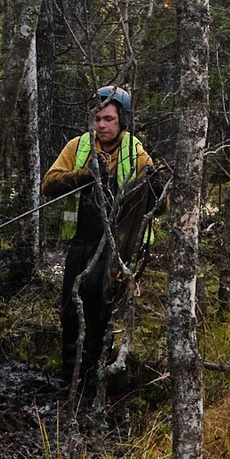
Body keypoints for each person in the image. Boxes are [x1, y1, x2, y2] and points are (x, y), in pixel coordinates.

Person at [41, 87, 157, 402]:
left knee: (101, 312)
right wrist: (82, 176)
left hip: (116, 247)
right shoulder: (78, 147)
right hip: (80, 241)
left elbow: (159, 203)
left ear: (123, 121)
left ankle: (98, 383)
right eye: (97, 118)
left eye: (108, 119)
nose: (101, 125)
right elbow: (49, 184)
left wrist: (153, 189)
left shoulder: (136, 153)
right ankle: (70, 383)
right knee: (69, 309)